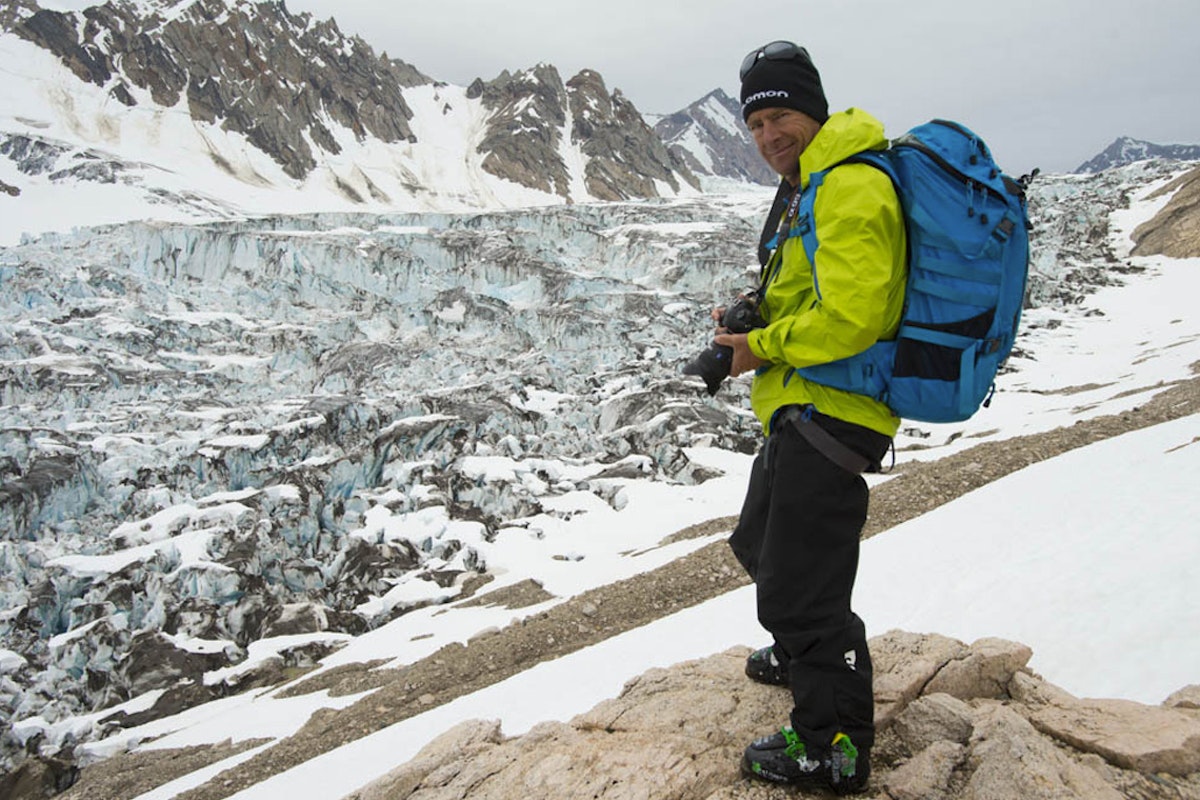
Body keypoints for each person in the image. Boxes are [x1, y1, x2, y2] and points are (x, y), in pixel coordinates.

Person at [712, 40, 907, 794]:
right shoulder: (810, 185)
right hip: (803, 405)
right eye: (756, 125)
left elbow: (854, 316)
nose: (769, 138)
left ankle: (832, 748)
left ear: (814, 111)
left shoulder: (850, 186)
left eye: (781, 116)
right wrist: (754, 317)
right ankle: (801, 655)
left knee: (803, 592)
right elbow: (812, 292)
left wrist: (758, 347)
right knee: (758, 542)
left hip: (837, 410)